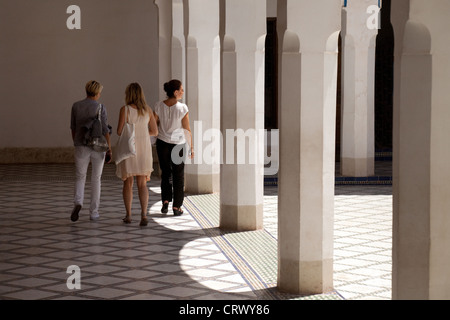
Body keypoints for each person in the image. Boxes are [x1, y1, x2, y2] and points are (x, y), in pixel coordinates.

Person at [116, 83, 158, 226]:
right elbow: (155, 131)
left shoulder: (125, 110)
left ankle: (128, 215)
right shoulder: (148, 110)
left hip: (130, 148)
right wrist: (143, 134)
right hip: (144, 149)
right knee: (142, 184)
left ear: (128, 94)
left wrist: (133, 133)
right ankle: (144, 215)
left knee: (128, 183)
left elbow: (119, 131)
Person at [70, 80, 112, 222]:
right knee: (96, 179)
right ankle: (94, 212)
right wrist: (109, 148)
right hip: (98, 146)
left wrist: (76, 142)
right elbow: (105, 129)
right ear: (97, 93)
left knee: (80, 176)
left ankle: (78, 202)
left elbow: (73, 128)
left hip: (81, 145)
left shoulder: (76, 106)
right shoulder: (101, 107)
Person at [154, 80, 193, 216]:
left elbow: (154, 125)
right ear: (175, 92)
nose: (182, 92)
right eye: (181, 90)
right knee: (178, 175)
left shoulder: (158, 106)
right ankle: (177, 207)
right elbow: (187, 129)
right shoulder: (182, 108)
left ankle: (165, 201)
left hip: (162, 143)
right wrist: (191, 147)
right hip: (178, 144)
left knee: (166, 173)